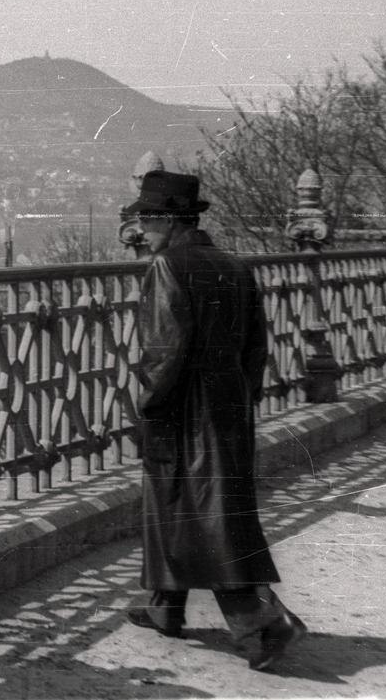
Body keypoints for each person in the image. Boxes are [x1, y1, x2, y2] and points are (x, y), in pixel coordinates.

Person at [124, 170, 307, 671]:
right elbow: (256, 348)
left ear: (169, 219)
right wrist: (239, 395)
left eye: (147, 218)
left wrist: (146, 406)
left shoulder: (166, 267)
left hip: (183, 406)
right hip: (228, 404)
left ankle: (261, 621)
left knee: (199, 514)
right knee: (204, 505)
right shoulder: (235, 265)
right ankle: (166, 608)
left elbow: (163, 352)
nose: (142, 228)